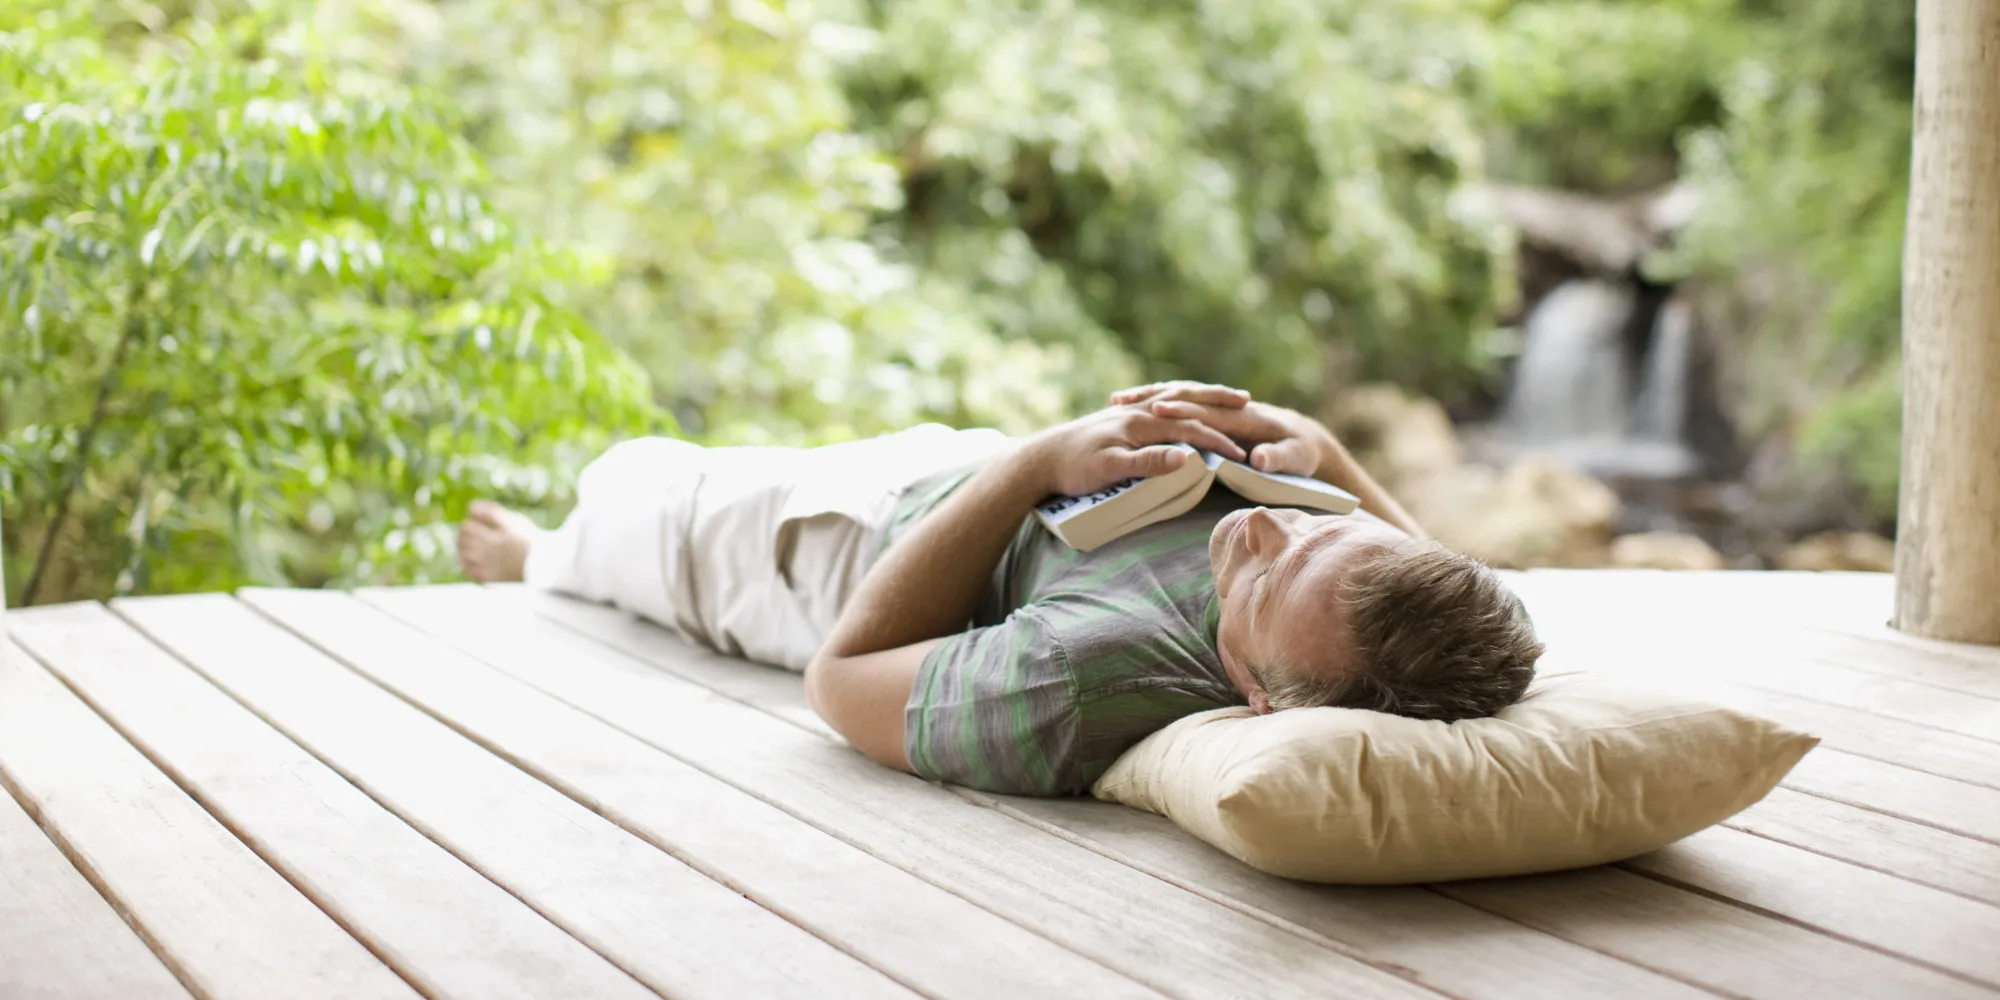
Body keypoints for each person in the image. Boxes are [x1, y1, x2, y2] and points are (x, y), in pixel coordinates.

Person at [458, 381, 1542, 796]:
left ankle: (533, 558)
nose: (1260, 526)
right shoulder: (1422, 620)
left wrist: (1031, 464)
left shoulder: (1078, 682)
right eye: (1315, 534)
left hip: (822, 553)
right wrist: (1319, 456)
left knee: (626, 484)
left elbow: (837, 681)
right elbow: (1446, 573)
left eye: (1263, 576)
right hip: (975, 472)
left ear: (1257, 694)